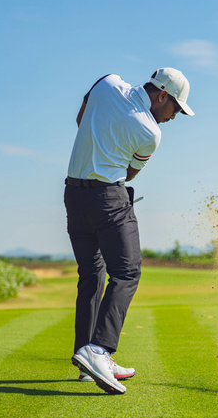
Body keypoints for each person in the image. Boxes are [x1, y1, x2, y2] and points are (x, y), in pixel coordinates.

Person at [65, 68, 194, 394]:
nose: (174, 117)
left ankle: (86, 359)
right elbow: (130, 173)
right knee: (127, 271)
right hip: (108, 198)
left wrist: (100, 140)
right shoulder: (150, 131)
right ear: (162, 95)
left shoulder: (107, 82)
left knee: (92, 274)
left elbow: (81, 118)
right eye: (176, 109)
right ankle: (100, 350)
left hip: (73, 195)